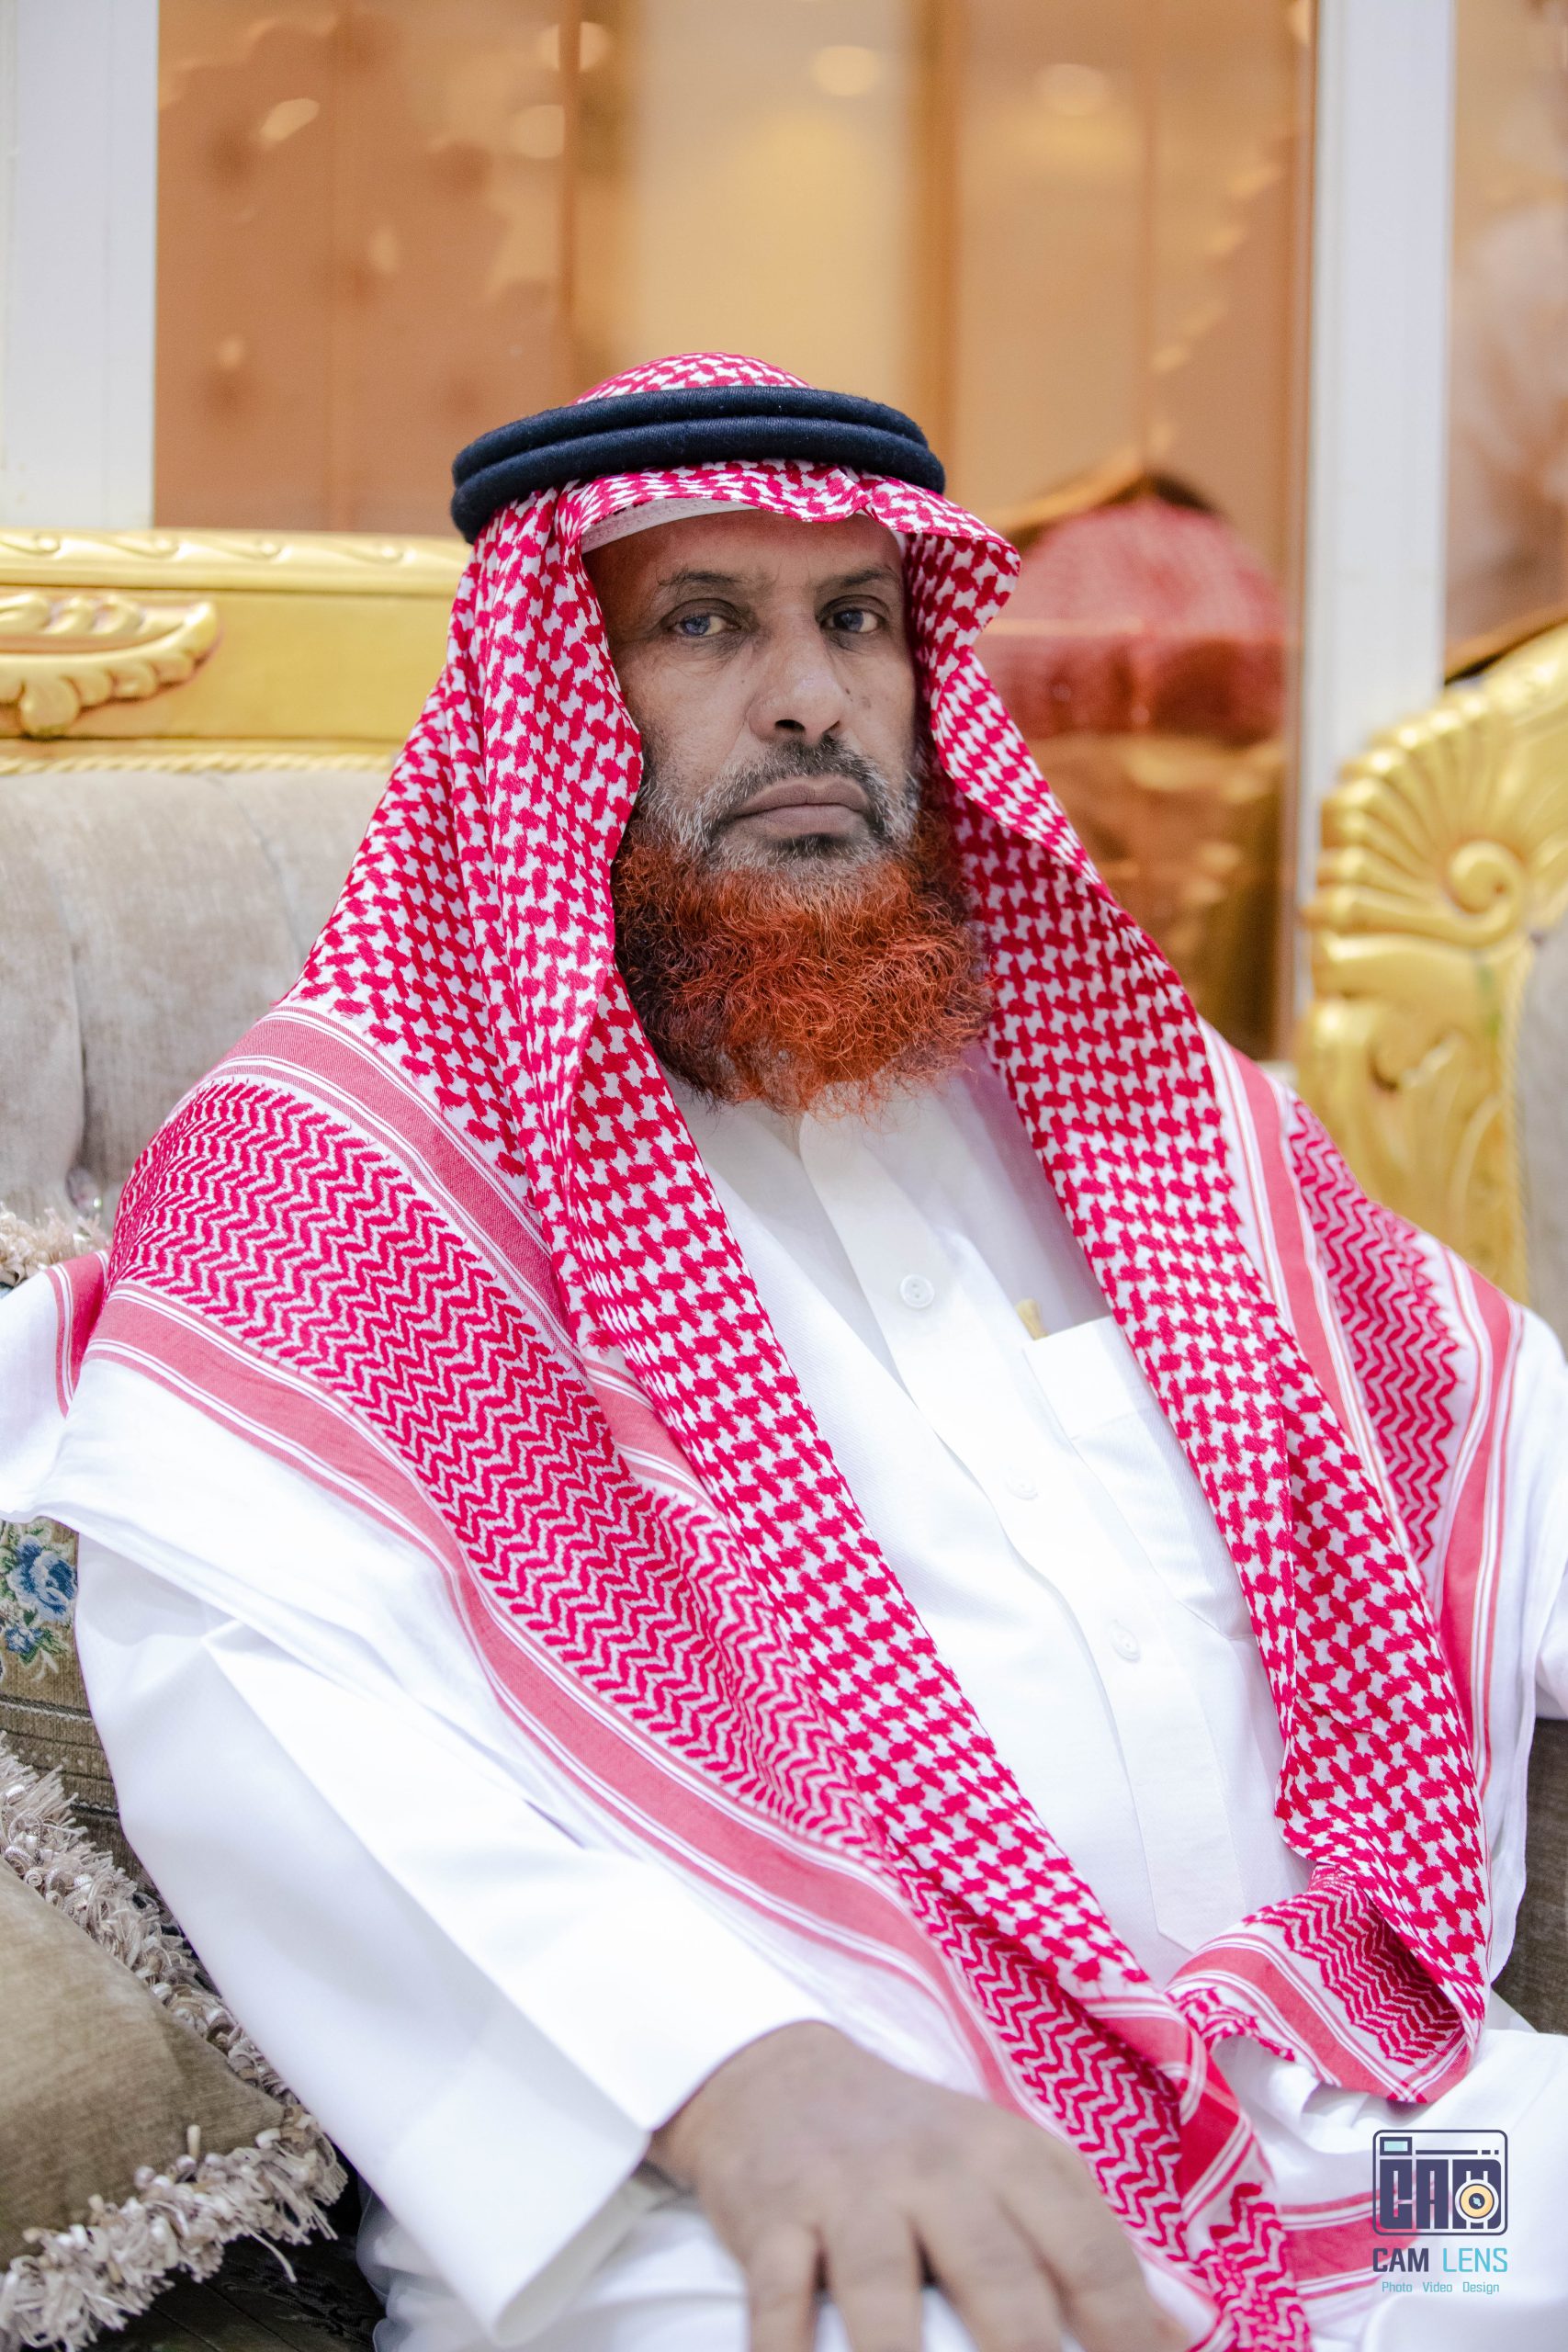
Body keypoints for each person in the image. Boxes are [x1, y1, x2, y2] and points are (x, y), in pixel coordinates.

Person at [3, 352, 1568, 2352]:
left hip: (1354, 2136)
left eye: (853, 618)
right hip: (771, 2191)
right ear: (555, 695)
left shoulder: (1132, 1111)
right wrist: (741, 2080)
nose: (812, 694)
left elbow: (1498, 1456)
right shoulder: (343, 1181)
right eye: (704, 624)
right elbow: (262, 1710)